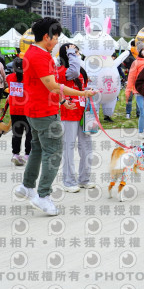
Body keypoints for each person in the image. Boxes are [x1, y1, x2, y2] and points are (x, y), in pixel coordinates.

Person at [13, 18, 96, 216]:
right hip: (44, 112)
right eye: (56, 37)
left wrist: (61, 101)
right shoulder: (41, 56)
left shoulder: (33, 52)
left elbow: (45, 86)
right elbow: (52, 85)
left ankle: (27, 186)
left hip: (35, 110)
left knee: (37, 149)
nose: (57, 40)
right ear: (46, 36)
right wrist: (82, 93)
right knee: (54, 152)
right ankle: (43, 195)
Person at [57, 43, 95, 192]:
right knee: (69, 147)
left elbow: (81, 87)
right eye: (73, 52)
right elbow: (73, 72)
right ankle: (69, 181)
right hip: (69, 112)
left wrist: (89, 90)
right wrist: (71, 52)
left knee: (86, 146)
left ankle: (84, 179)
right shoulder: (63, 71)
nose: (76, 55)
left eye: (77, 52)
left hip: (84, 112)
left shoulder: (81, 71)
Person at [6, 55, 31, 166]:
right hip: (28, 110)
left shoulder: (9, 77)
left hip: (14, 110)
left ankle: (15, 154)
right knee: (29, 133)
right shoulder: (29, 78)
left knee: (16, 133)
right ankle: (27, 154)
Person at [125, 41, 144, 138]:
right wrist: (128, 91)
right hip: (139, 92)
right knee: (143, 112)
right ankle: (140, 132)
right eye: (143, 49)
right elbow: (131, 78)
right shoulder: (135, 63)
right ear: (139, 51)